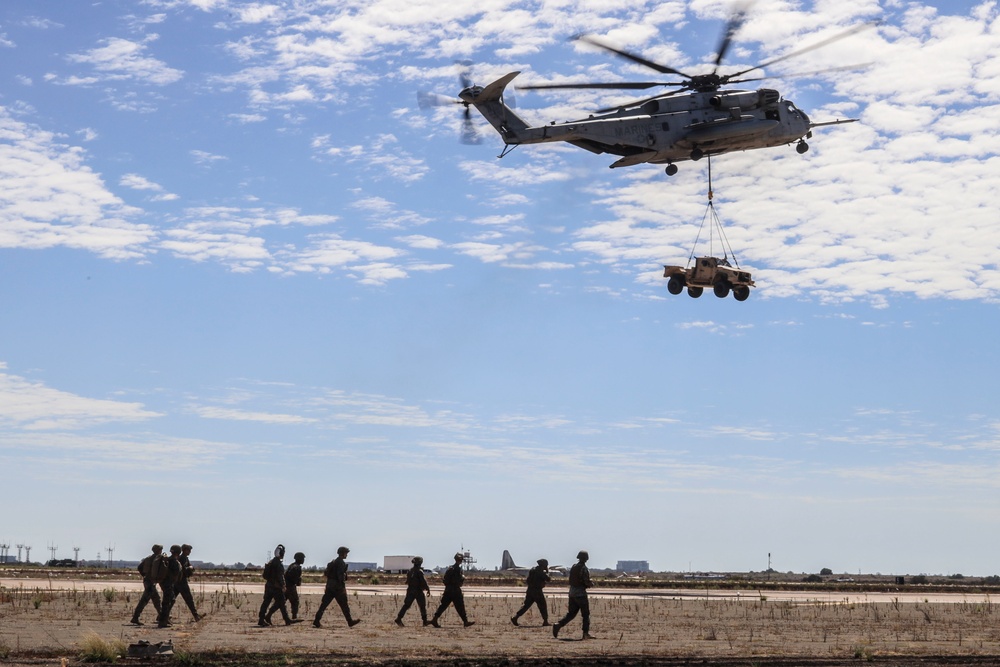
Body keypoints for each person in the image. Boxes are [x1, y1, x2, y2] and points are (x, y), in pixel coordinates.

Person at [313, 546, 361, 628]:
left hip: (330, 586)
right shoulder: (341, 563)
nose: (347, 555)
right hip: (337, 588)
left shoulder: (333, 562)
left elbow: (327, 574)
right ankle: (350, 621)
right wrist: (342, 587)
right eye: (346, 553)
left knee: (324, 605)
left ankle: (317, 620)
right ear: (343, 553)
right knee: (344, 605)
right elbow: (340, 577)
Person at [552, 550, 593, 640]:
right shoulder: (584, 568)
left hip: (572, 592)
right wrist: (590, 584)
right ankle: (585, 633)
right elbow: (585, 580)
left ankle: (558, 625)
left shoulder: (574, 567)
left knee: (571, 614)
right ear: (586, 558)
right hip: (580, 593)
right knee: (585, 615)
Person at [258, 544, 299, 626]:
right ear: (281, 553)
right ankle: (287, 620)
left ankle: (261, 619)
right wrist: (283, 586)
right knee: (282, 603)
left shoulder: (271, 562)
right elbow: (280, 576)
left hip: (269, 586)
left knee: (266, 603)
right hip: (276, 587)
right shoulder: (278, 564)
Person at [430, 553, 474, 628]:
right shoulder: (457, 570)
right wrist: (462, 578)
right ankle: (465, 621)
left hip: (448, 590)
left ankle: (435, 619)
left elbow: (445, 580)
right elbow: (459, 581)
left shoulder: (450, 569)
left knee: (443, 606)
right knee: (460, 606)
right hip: (455, 590)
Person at [130, 544, 164, 625]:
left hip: (148, 581)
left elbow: (139, 567)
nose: (161, 551)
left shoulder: (148, 559)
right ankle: (135, 617)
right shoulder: (157, 559)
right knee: (145, 600)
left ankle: (162, 616)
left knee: (156, 600)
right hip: (150, 582)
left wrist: (144, 575)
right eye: (160, 550)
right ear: (158, 550)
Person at [511, 558, 550, 626]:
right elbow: (548, 579)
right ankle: (545, 621)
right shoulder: (540, 571)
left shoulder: (533, 569)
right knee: (543, 606)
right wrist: (547, 572)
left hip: (530, 590)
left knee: (526, 606)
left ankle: (515, 617)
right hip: (537, 591)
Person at [394, 556, 431, 626]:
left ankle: (399, 618)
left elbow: (407, 581)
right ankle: (425, 621)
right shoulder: (419, 571)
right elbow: (423, 581)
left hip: (410, 590)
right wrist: (427, 589)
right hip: (418, 591)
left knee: (406, 605)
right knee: (422, 606)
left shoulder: (410, 571)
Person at [156, 545, 184, 628]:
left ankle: (165, 618)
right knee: (167, 602)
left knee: (171, 600)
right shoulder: (173, 561)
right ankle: (162, 621)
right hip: (168, 584)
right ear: (179, 552)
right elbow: (176, 573)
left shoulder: (168, 560)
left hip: (166, 583)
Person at [175, 544, 205, 621]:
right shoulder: (182, 558)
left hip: (177, 582)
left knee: (171, 599)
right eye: (188, 550)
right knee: (189, 599)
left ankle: (161, 616)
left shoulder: (183, 558)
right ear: (184, 550)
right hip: (182, 582)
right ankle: (196, 616)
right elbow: (183, 569)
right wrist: (190, 568)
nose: (190, 552)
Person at [285, 552, 306, 620]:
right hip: (290, 587)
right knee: (295, 601)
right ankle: (294, 617)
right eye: (302, 558)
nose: (303, 560)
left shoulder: (292, 565)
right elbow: (294, 579)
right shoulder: (296, 567)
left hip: (287, 586)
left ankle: (269, 615)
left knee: (281, 602)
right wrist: (298, 581)